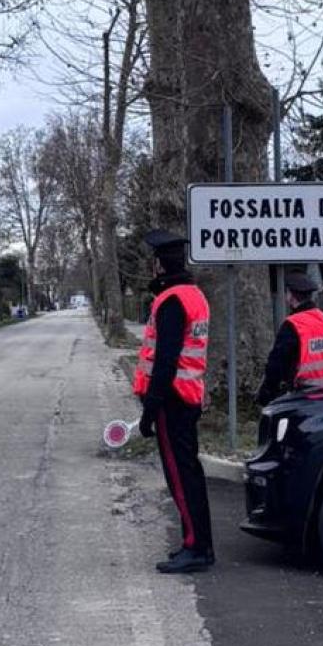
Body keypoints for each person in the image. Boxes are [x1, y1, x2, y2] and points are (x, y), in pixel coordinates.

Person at [134, 229, 215, 573]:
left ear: (157, 265)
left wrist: (150, 410)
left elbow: (165, 361)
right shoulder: (195, 295)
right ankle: (197, 543)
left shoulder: (170, 302)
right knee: (190, 473)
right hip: (189, 395)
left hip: (172, 400)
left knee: (181, 477)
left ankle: (196, 548)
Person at [255, 271, 323, 407]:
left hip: (298, 396)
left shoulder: (293, 325)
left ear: (290, 296)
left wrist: (266, 394)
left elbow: (276, 365)